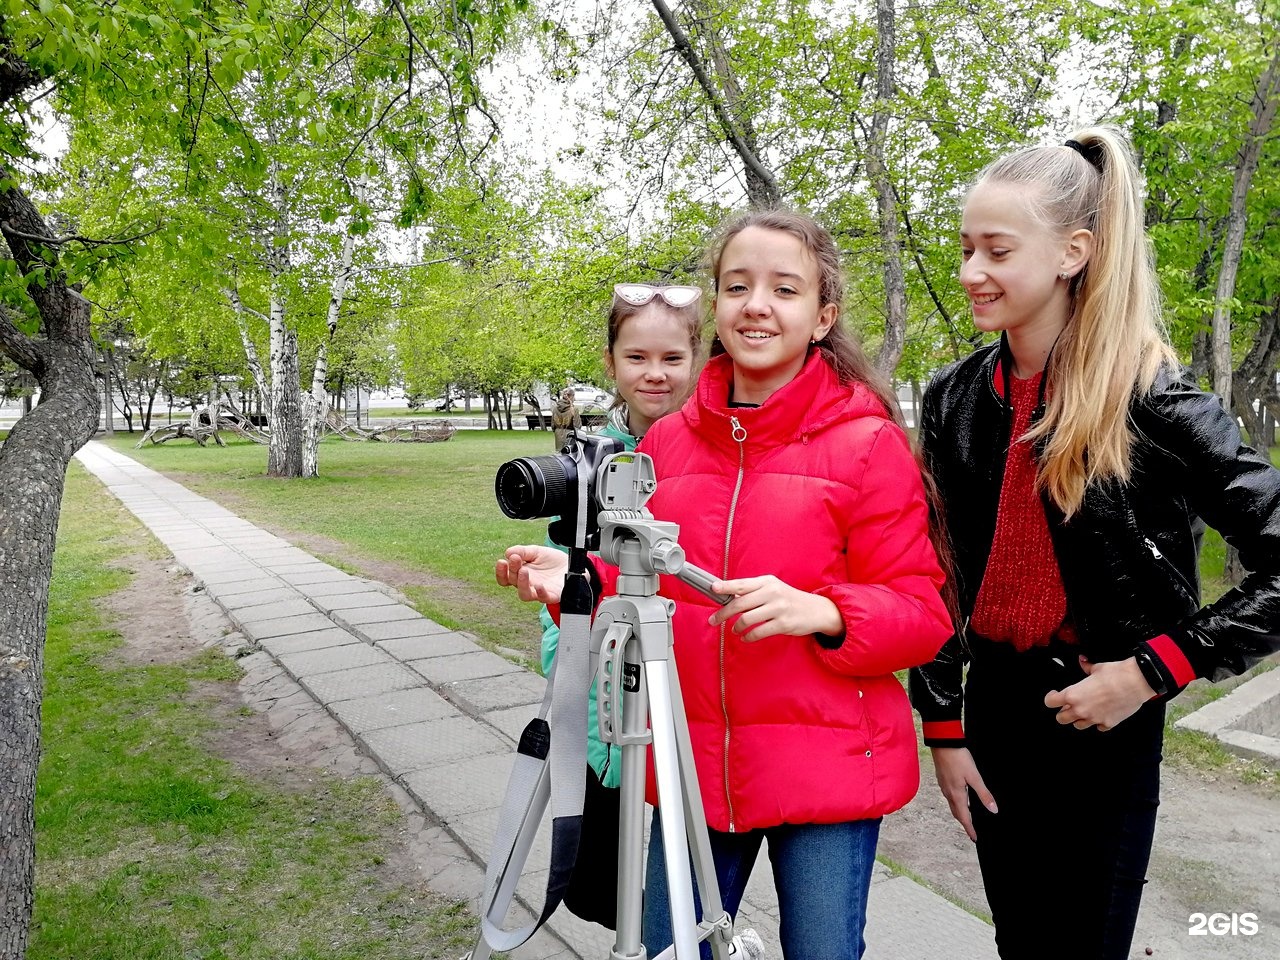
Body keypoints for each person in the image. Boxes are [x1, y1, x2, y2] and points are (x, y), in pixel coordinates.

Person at [499, 209, 953, 959]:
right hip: (692, 766)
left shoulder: (869, 443)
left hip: (829, 772)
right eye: (738, 286)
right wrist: (578, 578)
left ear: (821, 316)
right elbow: (651, 575)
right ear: (717, 305)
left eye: (784, 288)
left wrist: (824, 611)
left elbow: (921, 613)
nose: (757, 305)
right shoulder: (668, 442)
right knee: (667, 951)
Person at [909, 125, 1280, 960]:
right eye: (967, 248)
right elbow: (938, 574)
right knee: (1022, 943)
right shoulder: (953, 399)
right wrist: (943, 727)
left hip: (1106, 721)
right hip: (996, 717)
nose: (971, 272)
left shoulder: (1153, 399)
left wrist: (1156, 670)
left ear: (1073, 252)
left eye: (997, 251)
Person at [538, 280, 703, 930]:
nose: (654, 374)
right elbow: (569, 567)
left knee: (679, 896)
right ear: (611, 362)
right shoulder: (590, 453)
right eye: (637, 358)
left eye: (671, 358)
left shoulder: (714, 455)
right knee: (594, 893)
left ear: (697, 358)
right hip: (600, 691)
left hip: (682, 701)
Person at [551, 386, 582, 451]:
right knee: (569, 456)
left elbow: (553, 425)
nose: (574, 399)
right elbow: (577, 426)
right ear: (571, 396)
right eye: (574, 396)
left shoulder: (555, 408)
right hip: (570, 435)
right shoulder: (574, 409)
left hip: (558, 434)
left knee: (559, 456)